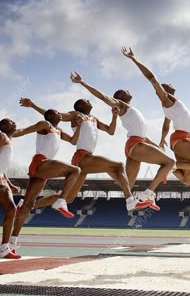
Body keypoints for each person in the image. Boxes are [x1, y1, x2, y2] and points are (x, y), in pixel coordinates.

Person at [69, 71, 175, 210]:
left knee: (127, 184)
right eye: (125, 90)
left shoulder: (133, 110)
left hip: (137, 143)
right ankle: (148, 194)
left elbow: (143, 136)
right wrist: (83, 82)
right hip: (135, 145)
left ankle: (131, 203)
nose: (128, 90)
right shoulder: (122, 106)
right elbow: (103, 96)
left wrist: (157, 146)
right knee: (170, 162)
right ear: (120, 98)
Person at [20, 97, 148, 212]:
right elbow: (54, 115)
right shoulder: (76, 115)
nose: (89, 101)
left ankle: (27, 205)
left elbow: (110, 131)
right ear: (80, 106)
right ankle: (130, 201)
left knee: (68, 198)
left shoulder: (94, 119)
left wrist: (114, 116)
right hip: (82, 157)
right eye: (86, 100)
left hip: (87, 159)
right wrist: (33, 105)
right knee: (118, 166)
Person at [121, 46, 190, 185]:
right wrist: (134, 59)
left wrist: (162, 139)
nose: (170, 84)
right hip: (181, 139)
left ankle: (170, 166)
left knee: (187, 180)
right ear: (163, 89)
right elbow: (152, 78)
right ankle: (170, 165)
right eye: (167, 84)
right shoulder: (167, 100)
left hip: (180, 138)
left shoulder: (169, 109)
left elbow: (166, 124)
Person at [9, 110, 83, 253]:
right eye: (56, 112)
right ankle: (61, 201)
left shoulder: (59, 130)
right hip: (41, 162)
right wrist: (7, 133)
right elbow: (23, 131)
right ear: (50, 116)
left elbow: (74, 141)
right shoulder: (45, 124)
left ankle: (12, 242)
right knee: (75, 170)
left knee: (27, 205)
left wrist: (79, 126)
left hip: (45, 169)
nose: (60, 114)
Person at [0, 118, 21, 259]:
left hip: (1, 177)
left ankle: (4, 248)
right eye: (11, 122)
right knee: (11, 208)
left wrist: (10, 184)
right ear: (3, 126)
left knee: (11, 209)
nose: (14, 123)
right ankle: (3, 248)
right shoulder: (1, 135)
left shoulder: (7, 138)